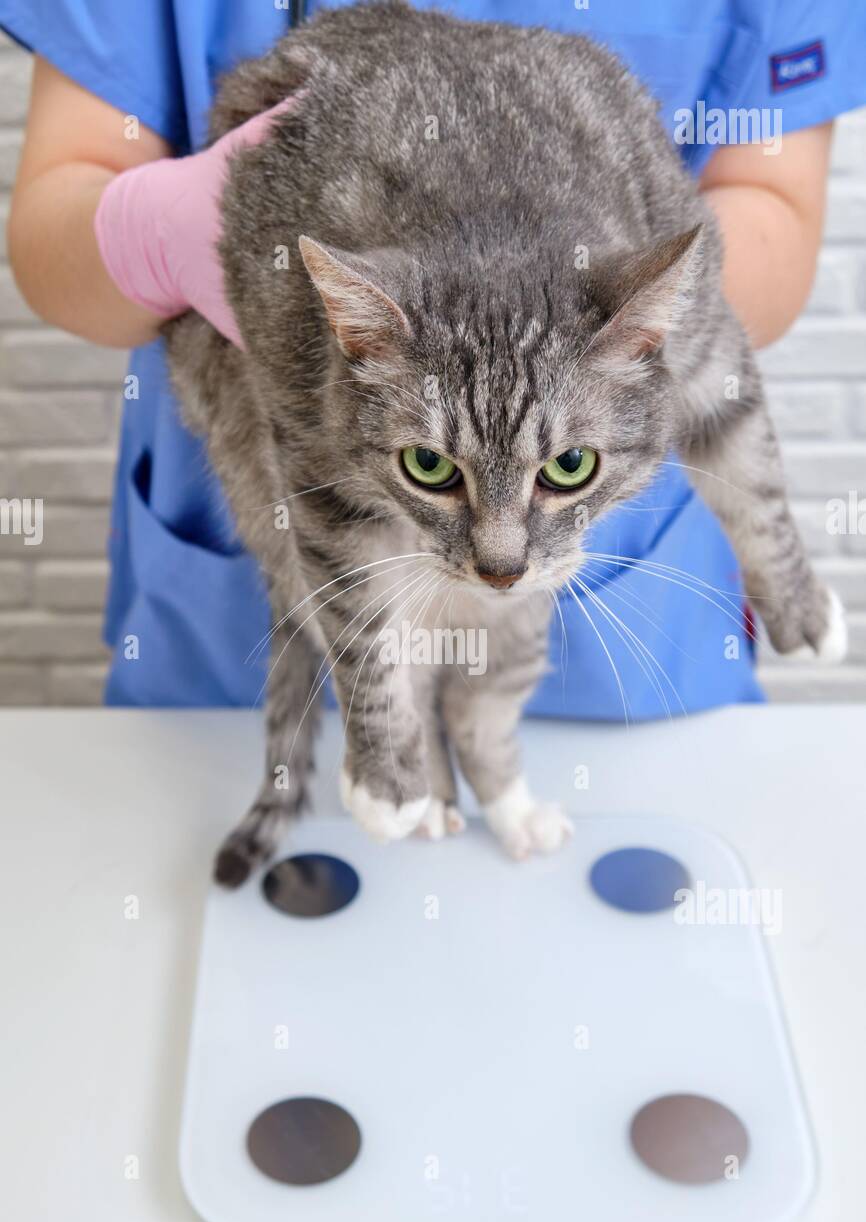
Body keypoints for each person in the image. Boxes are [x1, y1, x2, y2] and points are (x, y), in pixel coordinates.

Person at [4, 0, 864, 715]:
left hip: (633, 648)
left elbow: (770, 224)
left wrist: (609, 336)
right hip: (233, 650)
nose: (499, 553)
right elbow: (49, 236)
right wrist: (152, 229)